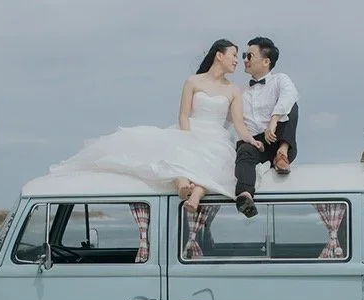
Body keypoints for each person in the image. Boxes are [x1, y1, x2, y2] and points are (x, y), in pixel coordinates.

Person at [48, 39, 263, 212]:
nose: (238, 60)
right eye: (234, 55)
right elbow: (183, 114)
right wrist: (188, 138)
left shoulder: (234, 90)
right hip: (190, 130)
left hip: (217, 136)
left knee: (217, 162)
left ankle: (195, 195)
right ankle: (182, 185)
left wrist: (251, 140)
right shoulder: (193, 82)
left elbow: (238, 124)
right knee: (181, 154)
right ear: (219, 55)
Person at [233, 36, 301, 218]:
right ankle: (245, 196)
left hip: (280, 138)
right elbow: (232, 119)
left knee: (292, 105)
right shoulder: (239, 90)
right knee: (244, 151)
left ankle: (282, 154)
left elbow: (290, 94)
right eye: (244, 56)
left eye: (249, 55)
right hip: (256, 142)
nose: (245, 60)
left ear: (266, 61)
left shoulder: (280, 80)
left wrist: (274, 119)